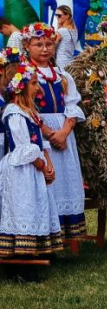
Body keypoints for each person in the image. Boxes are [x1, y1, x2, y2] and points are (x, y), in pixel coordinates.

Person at [23, 23, 86, 238]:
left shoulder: (62, 75)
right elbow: (25, 107)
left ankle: (67, 232)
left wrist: (65, 131)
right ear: (27, 46)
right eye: (38, 44)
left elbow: (72, 105)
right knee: (46, 180)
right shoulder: (25, 75)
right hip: (39, 133)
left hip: (64, 135)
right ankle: (46, 234)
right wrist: (49, 133)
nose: (44, 48)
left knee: (64, 181)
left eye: (49, 44)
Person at [0, 61, 61, 257]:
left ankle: (37, 250)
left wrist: (48, 163)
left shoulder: (30, 112)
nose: (38, 88)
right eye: (34, 83)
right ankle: (20, 257)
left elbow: (39, 142)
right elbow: (23, 149)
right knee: (22, 207)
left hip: (33, 169)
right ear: (21, 87)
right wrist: (42, 166)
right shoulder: (14, 113)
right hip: (21, 171)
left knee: (36, 206)